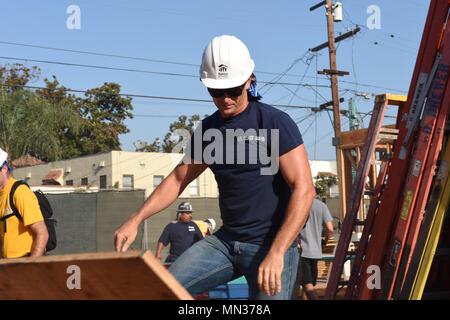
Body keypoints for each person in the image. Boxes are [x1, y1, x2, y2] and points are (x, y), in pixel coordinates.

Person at [115, 34, 315, 300]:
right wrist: (136, 219)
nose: (225, 99)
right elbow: (177, 180)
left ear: (249, 81)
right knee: (163, 290)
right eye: (216, 92)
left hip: (272, 246)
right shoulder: (210, 130)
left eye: (233, 90)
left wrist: (278, 252)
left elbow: (304, 189)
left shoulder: (273, 122)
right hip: (225, 243)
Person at [0, 148, 49, 258]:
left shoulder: (20, 192)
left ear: (3, 169)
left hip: (25, 265)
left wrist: (30, 269)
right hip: (8, 269)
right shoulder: (1, 196)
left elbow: (42, 233)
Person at [295, 196, 334, 300]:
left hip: (301, 251)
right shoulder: (322, 206)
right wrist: (324, 241)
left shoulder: (298, 203)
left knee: (307, 286)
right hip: (315, 252)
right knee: (308, 285)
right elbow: (330, 229)